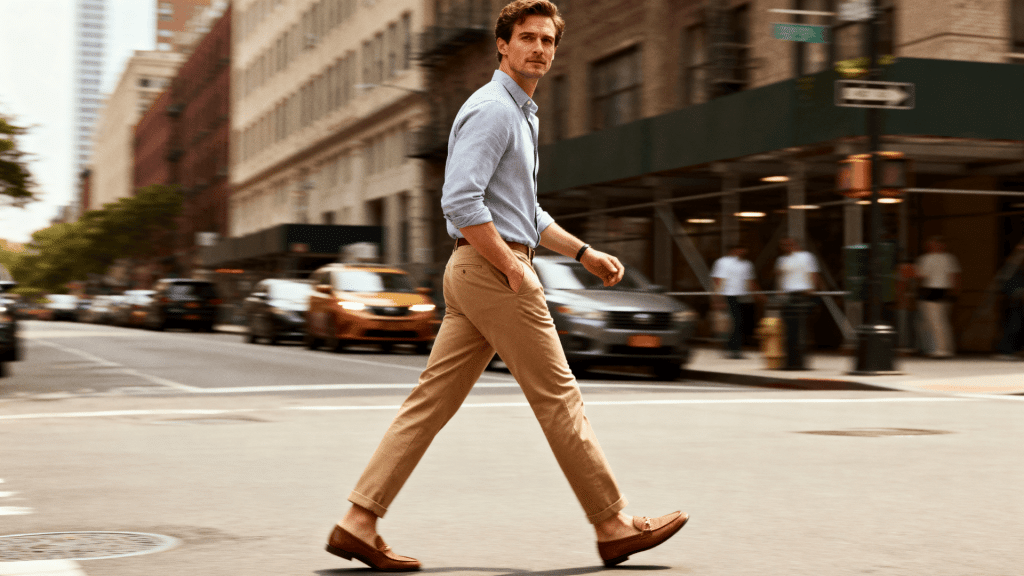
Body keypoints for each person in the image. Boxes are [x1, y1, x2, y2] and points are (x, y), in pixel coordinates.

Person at [324, 2, 687, 571]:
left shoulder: (522, 114)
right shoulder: (494, 110)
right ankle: (612, 524)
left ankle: (357, 521)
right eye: (527, 38)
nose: (539, 48)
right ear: (502, 44)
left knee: (429, 405)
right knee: (559, 398)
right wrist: (514, 267)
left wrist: (584, 253)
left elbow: (527, 212)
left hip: (478, 269)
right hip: (493, 271)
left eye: (548, 40)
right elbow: (461, 202)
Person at [774, 237, 823, 370]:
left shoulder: (806, 257)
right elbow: (779, 276)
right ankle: (790, 361)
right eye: (783, 244)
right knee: (789, 330)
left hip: (802, 294)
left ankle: (800, 361)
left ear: (795, 244)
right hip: (788, 295)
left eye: (788, 244)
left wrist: (812, 288)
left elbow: (813, 273)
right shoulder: (782, 260)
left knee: (801, 329)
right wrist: (780, 291)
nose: (786, 247)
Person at [711, 244, 761, 358]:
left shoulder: (746, 264)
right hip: (729, 295)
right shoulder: (723, 262)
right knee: (735, 323)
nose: (743, 251)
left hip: (742, 296)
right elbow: (717, 280)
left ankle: (733, 348)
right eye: (741, 249)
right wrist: (718, 299)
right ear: (734, 250)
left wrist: (757, 295)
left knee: (739, 323)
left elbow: (750, 281)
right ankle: (734, 350)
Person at [915, 236, 960, 358]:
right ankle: (947, 347)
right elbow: (954, 276)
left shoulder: (925, 258)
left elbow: (921, 275)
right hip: (945, 291)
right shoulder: (950, 258)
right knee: (943, 321)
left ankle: (940, 348)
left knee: (933, 322)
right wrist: (955, 291)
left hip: (930, 290)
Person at [994, 246, 1024, 360]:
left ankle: (1012, 349)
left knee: (1015, 325)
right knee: (1013, 325)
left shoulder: (1017, 272)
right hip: (1013, 301)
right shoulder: (1011, 270)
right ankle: (1007, 349)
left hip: (1017, 301)